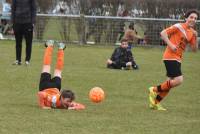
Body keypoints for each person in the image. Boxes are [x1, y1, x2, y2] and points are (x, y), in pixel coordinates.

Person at [148, 9, 199, 111]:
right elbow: (163, 33)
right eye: (191, 17)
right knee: (178, 80)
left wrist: (196, 36)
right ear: (186, 18)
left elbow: (194, 50)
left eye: (196, 18)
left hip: (178, 58)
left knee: (169, 84)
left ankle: (155, 103)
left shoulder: (191, 33)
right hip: (170, 56)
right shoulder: (179, 26)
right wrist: (171, 45)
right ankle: (153, 89)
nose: (193, 19)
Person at [37, 40, 85, 110]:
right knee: (48, 67)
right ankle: (51, 46)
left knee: (57, 70)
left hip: (56, 88)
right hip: (45, 87)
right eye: (68, 101)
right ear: (62, 97)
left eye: (70, 101)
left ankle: (60, 48)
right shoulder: (53, 100)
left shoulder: (67, 103)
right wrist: (42, 106)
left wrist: (73, 108)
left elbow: (82, 106)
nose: (69, 103)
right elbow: (41, 94)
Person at [11, 0, 37, 65]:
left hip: (28, 22)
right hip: (17, 22)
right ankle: (18, 60)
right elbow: (13, 9)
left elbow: (34, 9)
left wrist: (33, 22)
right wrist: (12, 22)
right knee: (18, 43)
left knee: (28, 43)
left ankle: (27, 60)